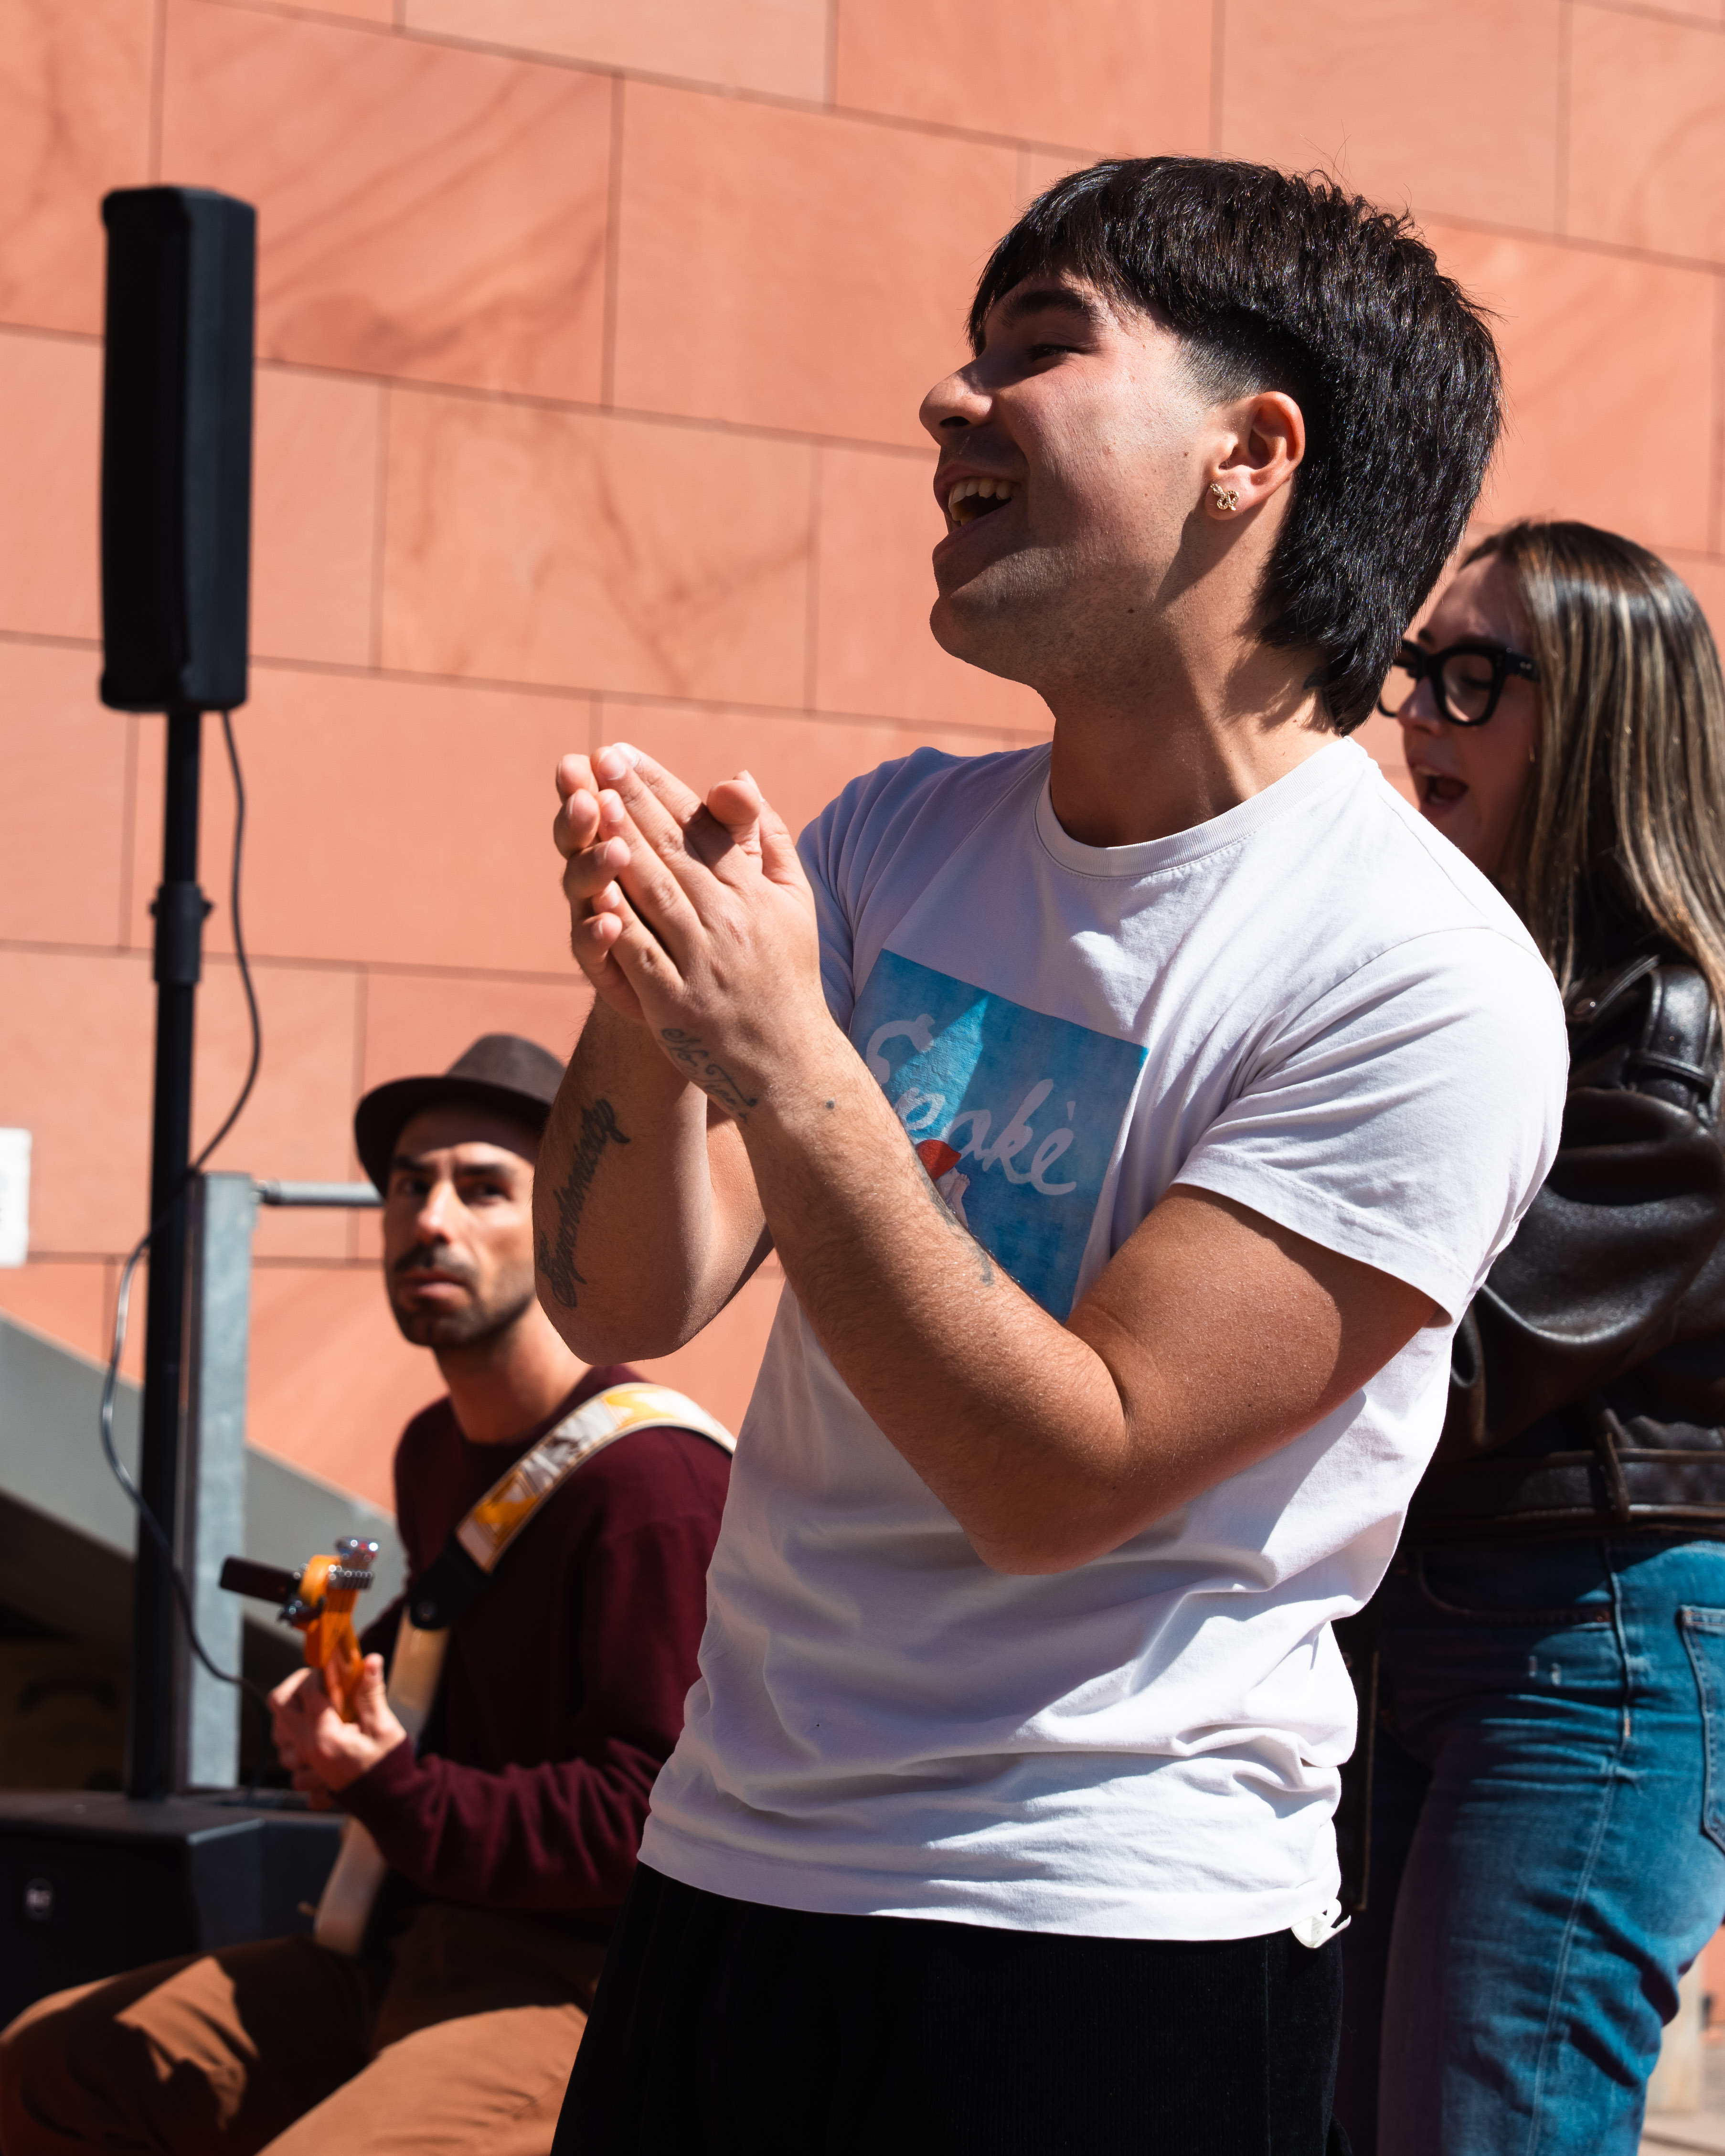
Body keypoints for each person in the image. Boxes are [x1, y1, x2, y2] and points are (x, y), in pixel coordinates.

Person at [532, 159, 1569, 2152]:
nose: (950, 403)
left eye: (1038, 348)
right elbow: (624, 1296)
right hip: (730, 1869)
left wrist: (786, 1055)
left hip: (1104, 1937)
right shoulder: (898, 832)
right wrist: (653, 995)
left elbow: (1057, 1470)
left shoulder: (1419, 976)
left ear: (1253, 450)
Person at [0, 1034, 732, 2156]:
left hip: (578, 1990)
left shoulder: (655, 1486)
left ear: (570, 1221)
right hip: (401, 1944)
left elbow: (643, 1817)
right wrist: (341, 1700)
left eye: (485, 1186)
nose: (431, 1218)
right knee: (51, 2064)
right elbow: (462, 1653)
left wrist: (393, 1786)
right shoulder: (435, 1448)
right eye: (408, 1185)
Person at [1333, 523, 1725, 2156]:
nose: (1421, 713)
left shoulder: (1673, 1039)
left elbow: (1458, 1358)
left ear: (1604, 720)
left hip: (1592, 1646)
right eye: (1419, 671)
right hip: (1402, 1620)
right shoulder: (1449, 979)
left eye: (1475, 676)